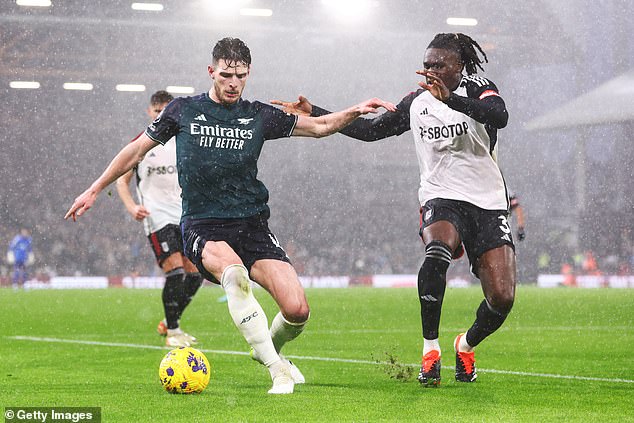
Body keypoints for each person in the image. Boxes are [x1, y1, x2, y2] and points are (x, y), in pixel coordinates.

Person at [65, 37, 395, 394]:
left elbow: (318, 127)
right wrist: (95, 188)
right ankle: (276, 370)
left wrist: (354, 110)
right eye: (225, 75)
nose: (233, 83)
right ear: (211, 72)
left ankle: (270, 351)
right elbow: (136, 150)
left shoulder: (257, 115)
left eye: (240, 76)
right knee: (233, 274)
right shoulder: (183, 110)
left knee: (297, 310)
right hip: (202, 224)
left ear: (248, 73)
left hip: (252, 224)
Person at [273, 33, 514, 386]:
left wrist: (454, 102)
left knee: (502, 298)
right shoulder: (416, 103)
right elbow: (370, 132)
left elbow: (500, 115)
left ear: (459, 66)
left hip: (487, 202)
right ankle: (430, 350)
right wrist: (319, 113)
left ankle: (465, 343)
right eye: (427, 64)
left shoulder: (478, 87)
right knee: (437, 252)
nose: (430, 70)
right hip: (441, 196)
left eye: (439, 64)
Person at [116, 90, 203, 348]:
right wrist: (131, 206)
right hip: (156, 217)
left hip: (185, 216)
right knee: (175, 273)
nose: (161, 116)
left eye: (165, 112)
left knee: (196, 275)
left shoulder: (183, 141)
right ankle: (173, 332)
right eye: (157, 112)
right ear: (149, 113)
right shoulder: (141, 144)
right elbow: (122, 180)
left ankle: (169, 320)